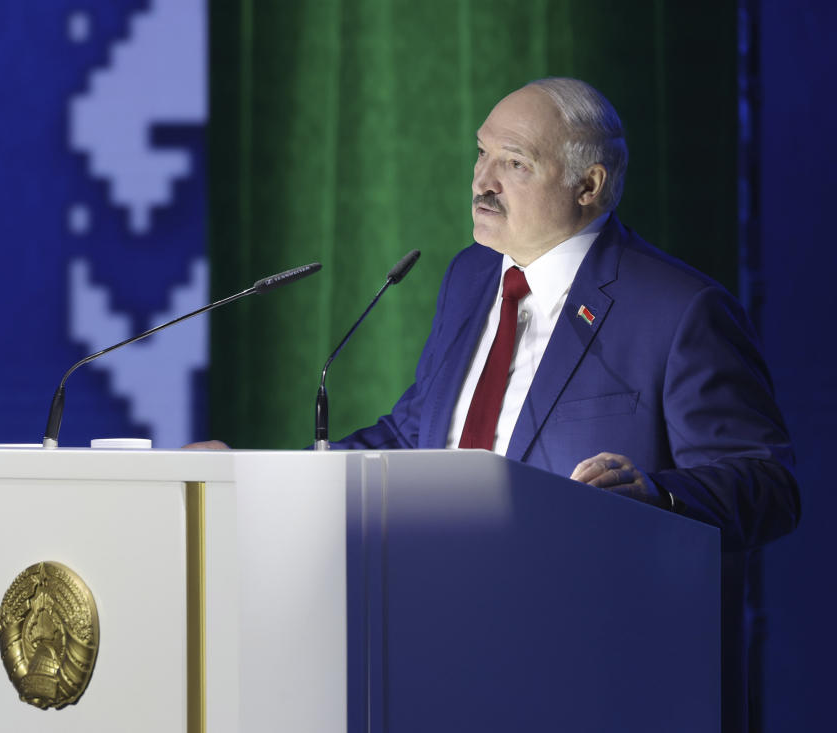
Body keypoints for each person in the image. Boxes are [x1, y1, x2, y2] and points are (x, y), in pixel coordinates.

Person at [332, 77, 800, 732]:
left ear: (590, 186)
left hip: (604, 682)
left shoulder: (682, 310)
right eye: (482, 153)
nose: (482, 180)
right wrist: (264, 473)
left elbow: (769, 482)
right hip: (447, 658)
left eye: (515, 164)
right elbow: (417, 435)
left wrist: (659, 499)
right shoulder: (470, 276)